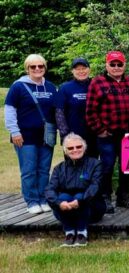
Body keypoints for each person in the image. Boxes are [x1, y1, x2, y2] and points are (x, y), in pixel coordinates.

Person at [85, 51, 129, 212]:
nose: (116, 67)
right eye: (113, 64)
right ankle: (105, 197)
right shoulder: (97, 83)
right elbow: (90, 111)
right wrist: (100, 130)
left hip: (127, 134)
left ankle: (123, 196)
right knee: (107, 166)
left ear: (124, 65)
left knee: (127, 166)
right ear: (106, 65)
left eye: (119, 64)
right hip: (107, 135)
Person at [4, 54, 58, 214]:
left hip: (46, 136)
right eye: (33, 67)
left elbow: (57, 110)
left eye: (40, 66)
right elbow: (9, 110)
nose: (37, 69)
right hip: (25, 136)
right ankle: (32, 201)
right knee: (28, 170)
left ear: (45, 68)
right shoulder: (18, 86)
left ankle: (43, 199)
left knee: (43, 169)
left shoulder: (50, 87)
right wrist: (14, 132)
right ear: (27, 69)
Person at [45, 133, 106, 247]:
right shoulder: (59, 168)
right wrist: (59, 203)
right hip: (66, 209)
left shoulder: (96, 164)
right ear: (65, 151)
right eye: (70, 148)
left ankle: (82, 233)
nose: (75, 150)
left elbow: (95, 186)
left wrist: (80, 201)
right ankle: (69, 233)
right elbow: (49, 189)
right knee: (63, 197)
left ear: (84, 147)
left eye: (78, 147)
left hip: (91, 208)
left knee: (79, 195)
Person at [55, 58, 98, 158]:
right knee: (73, 168)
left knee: (92, 166)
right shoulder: (65, 88)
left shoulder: (96, 85)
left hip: (94, 136)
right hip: (73, 136)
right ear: (72, 71)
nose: (81, 71)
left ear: (89, 69)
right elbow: (59, 113)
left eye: (84, 68)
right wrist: (65, 136)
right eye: (77, 69)